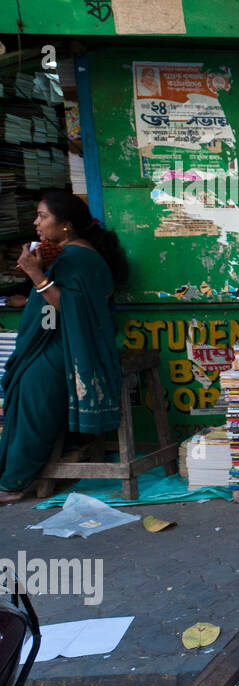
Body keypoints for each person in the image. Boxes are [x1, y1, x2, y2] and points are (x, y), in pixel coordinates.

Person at [0, 192, 129, 503]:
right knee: (26, 388)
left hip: (75, 347)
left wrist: (35, 274)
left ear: (66, 225)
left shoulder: (80, 258)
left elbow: (72, 307)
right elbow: (50, 313)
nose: (36, 223)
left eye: (42, 216)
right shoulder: (64, 254)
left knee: (35, 395)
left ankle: (15, 482)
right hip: (55, 342)